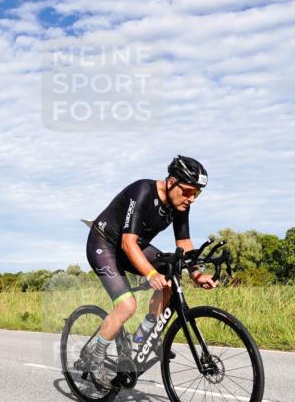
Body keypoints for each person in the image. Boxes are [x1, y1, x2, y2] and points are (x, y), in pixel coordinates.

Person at [84, 156, 218, 389]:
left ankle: (145, 334)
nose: (191, 199)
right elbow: (127, 243)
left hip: (134, 247)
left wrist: (197, 274)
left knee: (171, 273)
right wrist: (149, 274)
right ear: (172, 182)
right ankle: (94, 359)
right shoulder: (143, 191)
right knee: (127, 305)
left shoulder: (180, 204)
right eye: (187, 192)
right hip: (104, 244)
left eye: (197, 194)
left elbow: (184, 242)